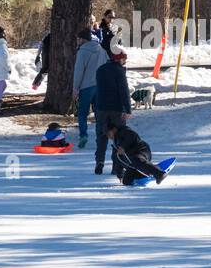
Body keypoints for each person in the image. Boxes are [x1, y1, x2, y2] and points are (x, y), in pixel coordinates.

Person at [93, 43, 132, 175]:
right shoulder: (119, 71)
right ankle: (116, 165)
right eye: (124, 58)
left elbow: (98, 88)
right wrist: (127, 109)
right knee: (119, 136)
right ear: (119, 58)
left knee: (101, 135)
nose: (125, 61)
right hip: (116, 108)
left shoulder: (100, 69)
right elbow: (124, 91)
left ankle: (99, 162)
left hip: (101, 107)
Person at [107, 119, 170, 185]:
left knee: (136, 159)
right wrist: (120, 174)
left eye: (108, 133)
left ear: (114, 129)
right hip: (133, 163)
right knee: (126, 181)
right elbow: (117, 159)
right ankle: (145, 174)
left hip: (141, 151)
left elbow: (132, 137)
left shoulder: (124, 131)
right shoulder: (115, 143)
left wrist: (123, 147)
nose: (108, 136)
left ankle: (160, 173)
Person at [72, 28, 106, 148]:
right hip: (100, 86)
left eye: (78, 39)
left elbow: (79, 71)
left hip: (86, 86)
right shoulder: (102, 50)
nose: (77, 41)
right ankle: (100, 136)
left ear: (82, 39)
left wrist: (75, 88)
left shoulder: (82, 51)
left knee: (82, 113)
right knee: (99, 113)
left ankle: (83, 135)